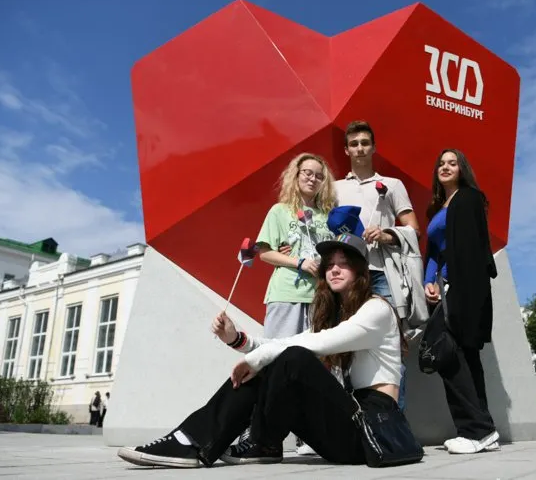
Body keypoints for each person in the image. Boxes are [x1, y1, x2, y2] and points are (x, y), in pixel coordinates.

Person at [117, 233, 407, 468]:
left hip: (369, 433)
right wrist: (237, 340)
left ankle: (216, 441)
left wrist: (257, 359)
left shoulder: (377, 310)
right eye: (329, 263)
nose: (333, 269)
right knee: (284, 358)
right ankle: (222, 441)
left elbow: (316, 343)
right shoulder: (335, 318)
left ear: (361, 271)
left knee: (293, 358)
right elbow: (287, 342)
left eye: (344, 264)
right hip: (342, 427)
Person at [248, 152, 337, 455]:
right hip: (286, 295)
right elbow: (264, 253)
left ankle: (308, 435)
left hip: (320, 298)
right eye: (307, 173)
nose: (313, 178)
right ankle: (262, 435)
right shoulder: (280, 211)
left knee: (317, 366)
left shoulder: (327, 216)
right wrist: (298, 261)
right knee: (274, 362)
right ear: (296, 176)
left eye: (319, 175)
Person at [333, 120, 421, 410]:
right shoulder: (333, 188)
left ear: (374, 148)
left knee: (392, 347)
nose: (359, 148)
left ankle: (393, 423)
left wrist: (387, 234)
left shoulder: (393, 185)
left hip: (383, 274)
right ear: (346, 150)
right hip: (348, 277)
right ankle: (355, 423)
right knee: (346, 347)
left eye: (364, 143)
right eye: (354, 144)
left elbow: (414, 229)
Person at [424, 149, 499, 454]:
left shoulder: (468, 199)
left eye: (452, 163)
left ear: (461, 169)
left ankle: (476, 430)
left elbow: (469, 250)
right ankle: (485, 429)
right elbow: (434, 250)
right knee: (465, 358)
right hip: (445, 287)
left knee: (451, 355)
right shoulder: (438, 208)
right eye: (441, 163)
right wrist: (429, 281)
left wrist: (450, 283)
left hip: (463, 287)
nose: (445, 167)